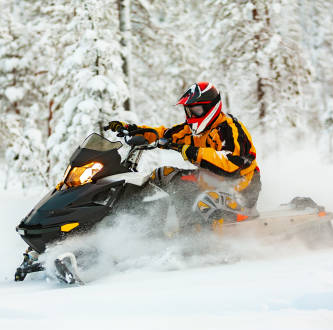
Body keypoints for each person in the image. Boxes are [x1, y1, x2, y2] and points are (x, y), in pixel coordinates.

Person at [107, 82, 261, 227]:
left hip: (240, 191)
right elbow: (163, 134)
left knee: (201, 200)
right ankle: (138, 221)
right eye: (188, 110)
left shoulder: (229, 129)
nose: (191, 115)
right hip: (212, 183)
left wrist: (190, 151)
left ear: (210, 108)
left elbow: (232, 164)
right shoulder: (194, 130)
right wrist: (132, 129)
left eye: (196, 110)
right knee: (162, 174)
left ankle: (196, 243)